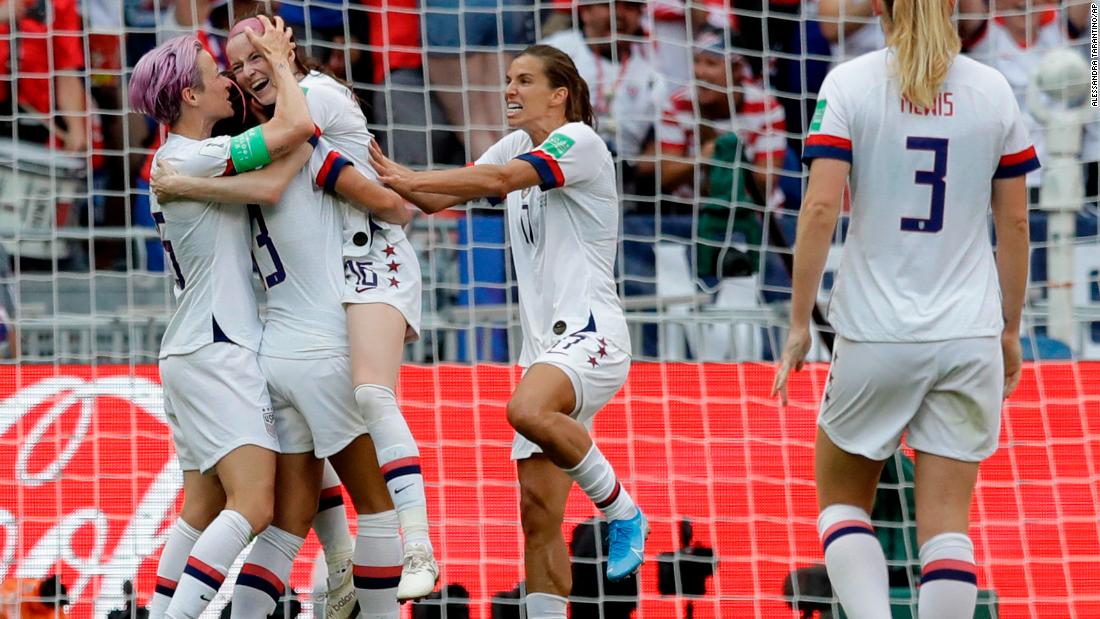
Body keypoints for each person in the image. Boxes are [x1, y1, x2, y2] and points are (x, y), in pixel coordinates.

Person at [153, 10, 439, 607]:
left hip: (271, 351)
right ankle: (411, 551)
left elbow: (290, 170)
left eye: (254, 58)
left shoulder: (250, 142)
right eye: (230, 68)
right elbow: (383, 204)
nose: (241, 77)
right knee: (374, 507)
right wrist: (400, 199)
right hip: (319, 341)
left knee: (285, 518)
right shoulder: (303, 108)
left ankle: (333, 577)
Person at [770, 0, 1036, 617]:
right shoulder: (993, 89)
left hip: (876, 330)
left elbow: (817, 210)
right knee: (947, 525)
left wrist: (797, 324)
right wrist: (1010, 329)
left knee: (842, 505)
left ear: (881, 8)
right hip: (969, 330)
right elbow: (1016, 221)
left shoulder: (851, 81)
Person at [370, 44, 649, 619]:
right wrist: (373, 175)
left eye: (524, 80)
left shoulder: (581, 142)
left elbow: (496, 180)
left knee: (525, 409)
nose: (510, 91)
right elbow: (436, 194)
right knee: (538, 516)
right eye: (509, 80)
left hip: (591, 334)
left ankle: (622, 510)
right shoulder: (518, 144)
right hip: (543, 351)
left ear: (560, 94)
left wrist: (411, 175)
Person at [128, 19, 316, 619]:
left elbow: (270, 182)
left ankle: (160, 612)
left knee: (201, 507)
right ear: (188, 95)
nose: (230, 84)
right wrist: (280, 61)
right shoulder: (198, 154)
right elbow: (296, 127)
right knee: (255, 504)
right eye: (217, 76)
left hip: (188, 349)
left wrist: (287, 167)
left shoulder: (180, 159)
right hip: (218, 345)